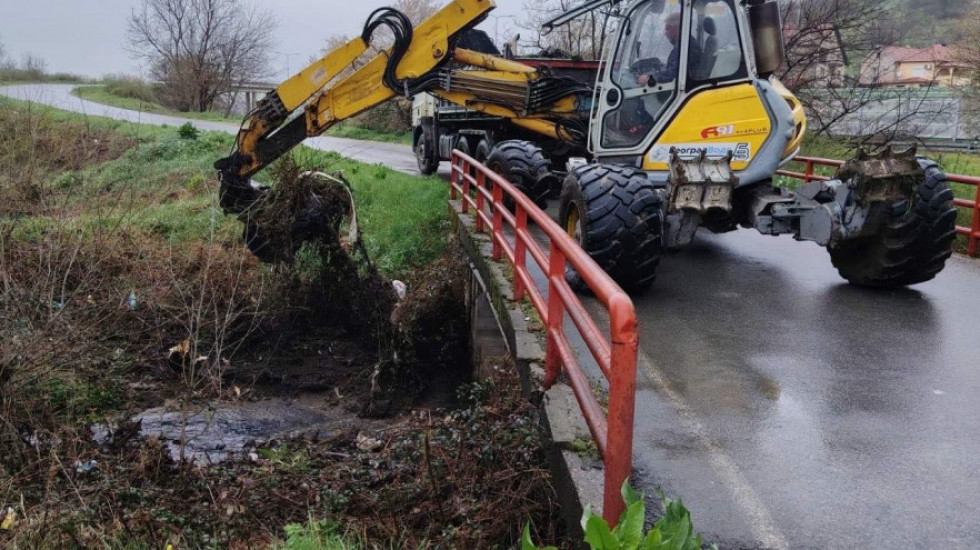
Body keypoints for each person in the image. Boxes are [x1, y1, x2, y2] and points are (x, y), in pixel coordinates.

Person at [636, 12, 702, 87]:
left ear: (678, 28)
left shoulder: (685, 48)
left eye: (667, 29)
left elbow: (673, 74)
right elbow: (675, 69)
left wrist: (650, 78)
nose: (665, 33)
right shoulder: (685, 44)